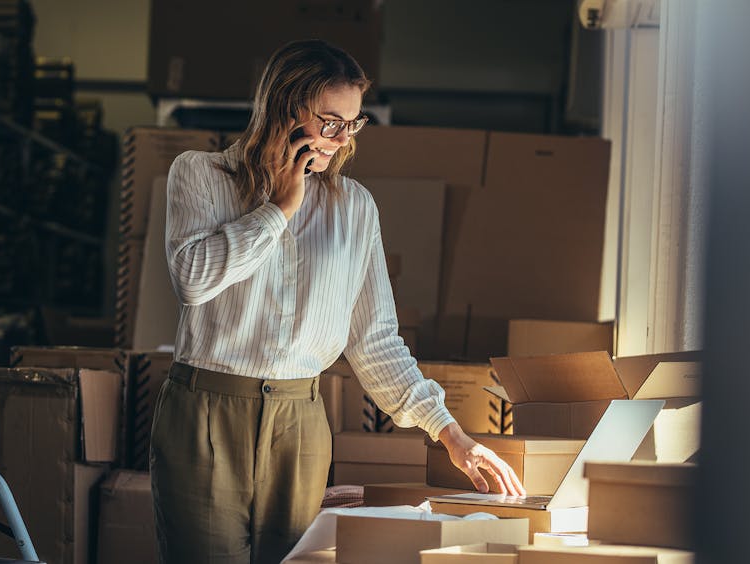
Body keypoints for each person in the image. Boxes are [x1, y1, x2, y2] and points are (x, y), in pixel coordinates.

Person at [149, 39, 525, 564]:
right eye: (330, 121)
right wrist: (279, 209)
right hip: (206, 412)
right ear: (285, 105)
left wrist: (453, 435)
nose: (341, 138)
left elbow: (374, 341)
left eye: (352, 123)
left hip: (300, 422)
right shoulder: (201, 175)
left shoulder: (354, 209)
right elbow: (192, 279)